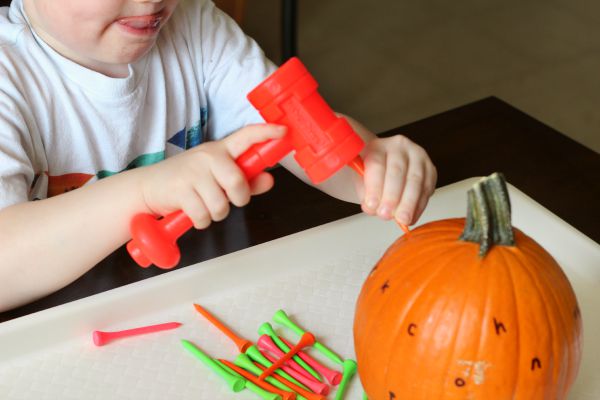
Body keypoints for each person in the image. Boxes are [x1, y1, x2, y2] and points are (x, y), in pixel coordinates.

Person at [0, 0, 437, 312]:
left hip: (203, 298)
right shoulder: (8, 75)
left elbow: (298, 129)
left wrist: (371, 165)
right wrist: (147, 191)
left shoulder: (196, 24)